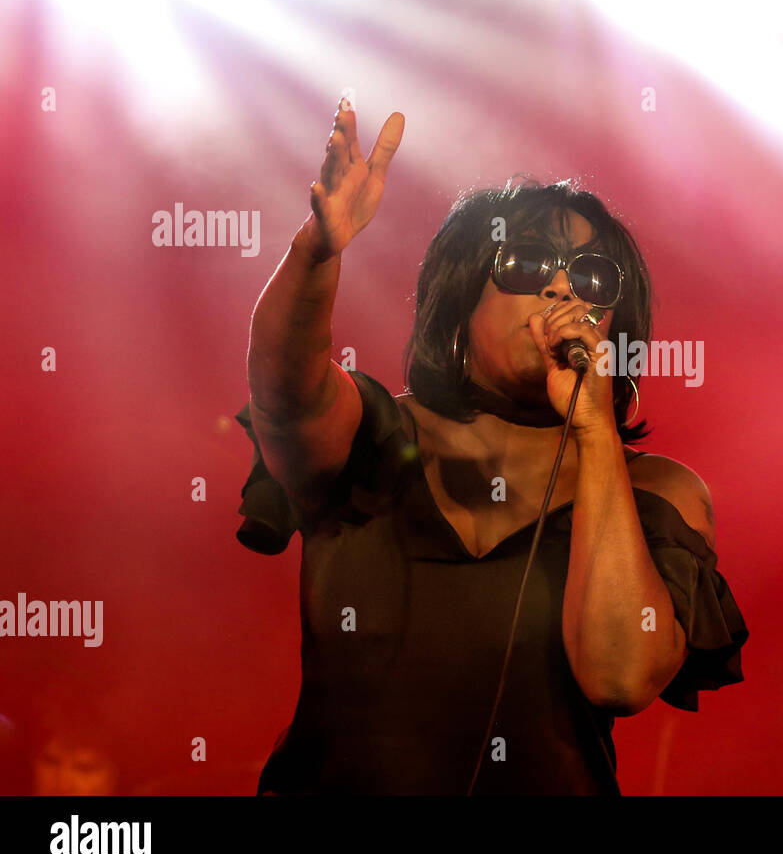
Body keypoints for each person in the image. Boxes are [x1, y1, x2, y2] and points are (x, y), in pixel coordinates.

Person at [234, 96, 748, 794]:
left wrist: (594, 432)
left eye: (592, 277)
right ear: (461, 299)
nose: (564, 285)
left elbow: (620, 675)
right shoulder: (377, 439)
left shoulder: (657, 491)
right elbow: (287, 393)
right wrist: (315, 253)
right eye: (529, 261)